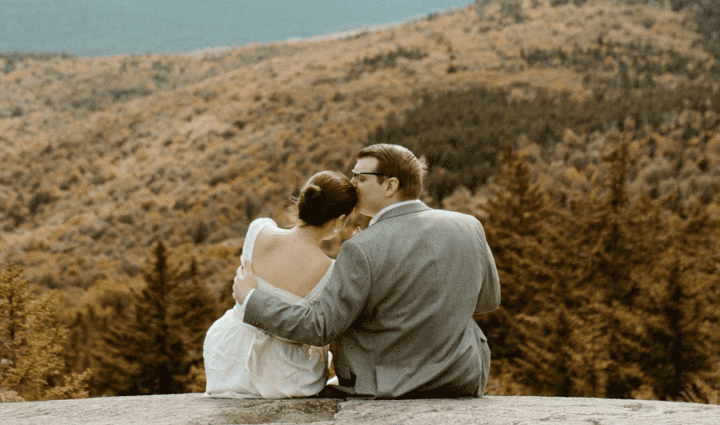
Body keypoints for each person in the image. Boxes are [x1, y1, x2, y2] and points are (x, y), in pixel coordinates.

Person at [233, 143, 501, 399]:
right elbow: (488, 301)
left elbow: (320, 326)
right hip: (461, 378)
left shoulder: (361, 248)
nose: (352, 184)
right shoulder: (469, 226)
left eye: (360, 177)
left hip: (385, 385)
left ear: (391, 185)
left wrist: (252, 299)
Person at [203, 170, 358, 397]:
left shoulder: (259, 230)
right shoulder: (331, 271)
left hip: (227, 355)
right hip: (283, 372)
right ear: (340, 221)